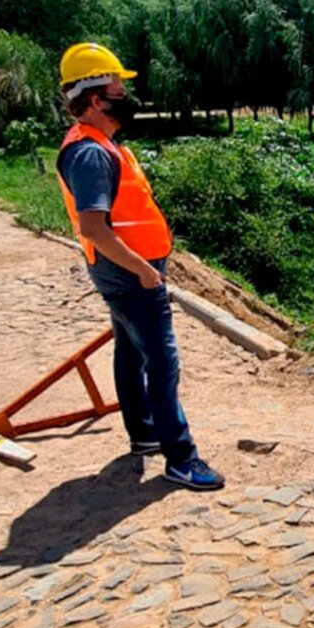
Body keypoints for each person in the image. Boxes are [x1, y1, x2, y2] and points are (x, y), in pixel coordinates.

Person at [56, 43, 225, 490]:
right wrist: (144, 270)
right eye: (117, 89)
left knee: (131, 353)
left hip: (128, 269)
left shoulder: (101, 144)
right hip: (130, 273)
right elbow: (94, 226)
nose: (125, 97)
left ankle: (145, 433)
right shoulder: (90, 153)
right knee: (162, 360)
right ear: (95, 99)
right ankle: (180, 458)